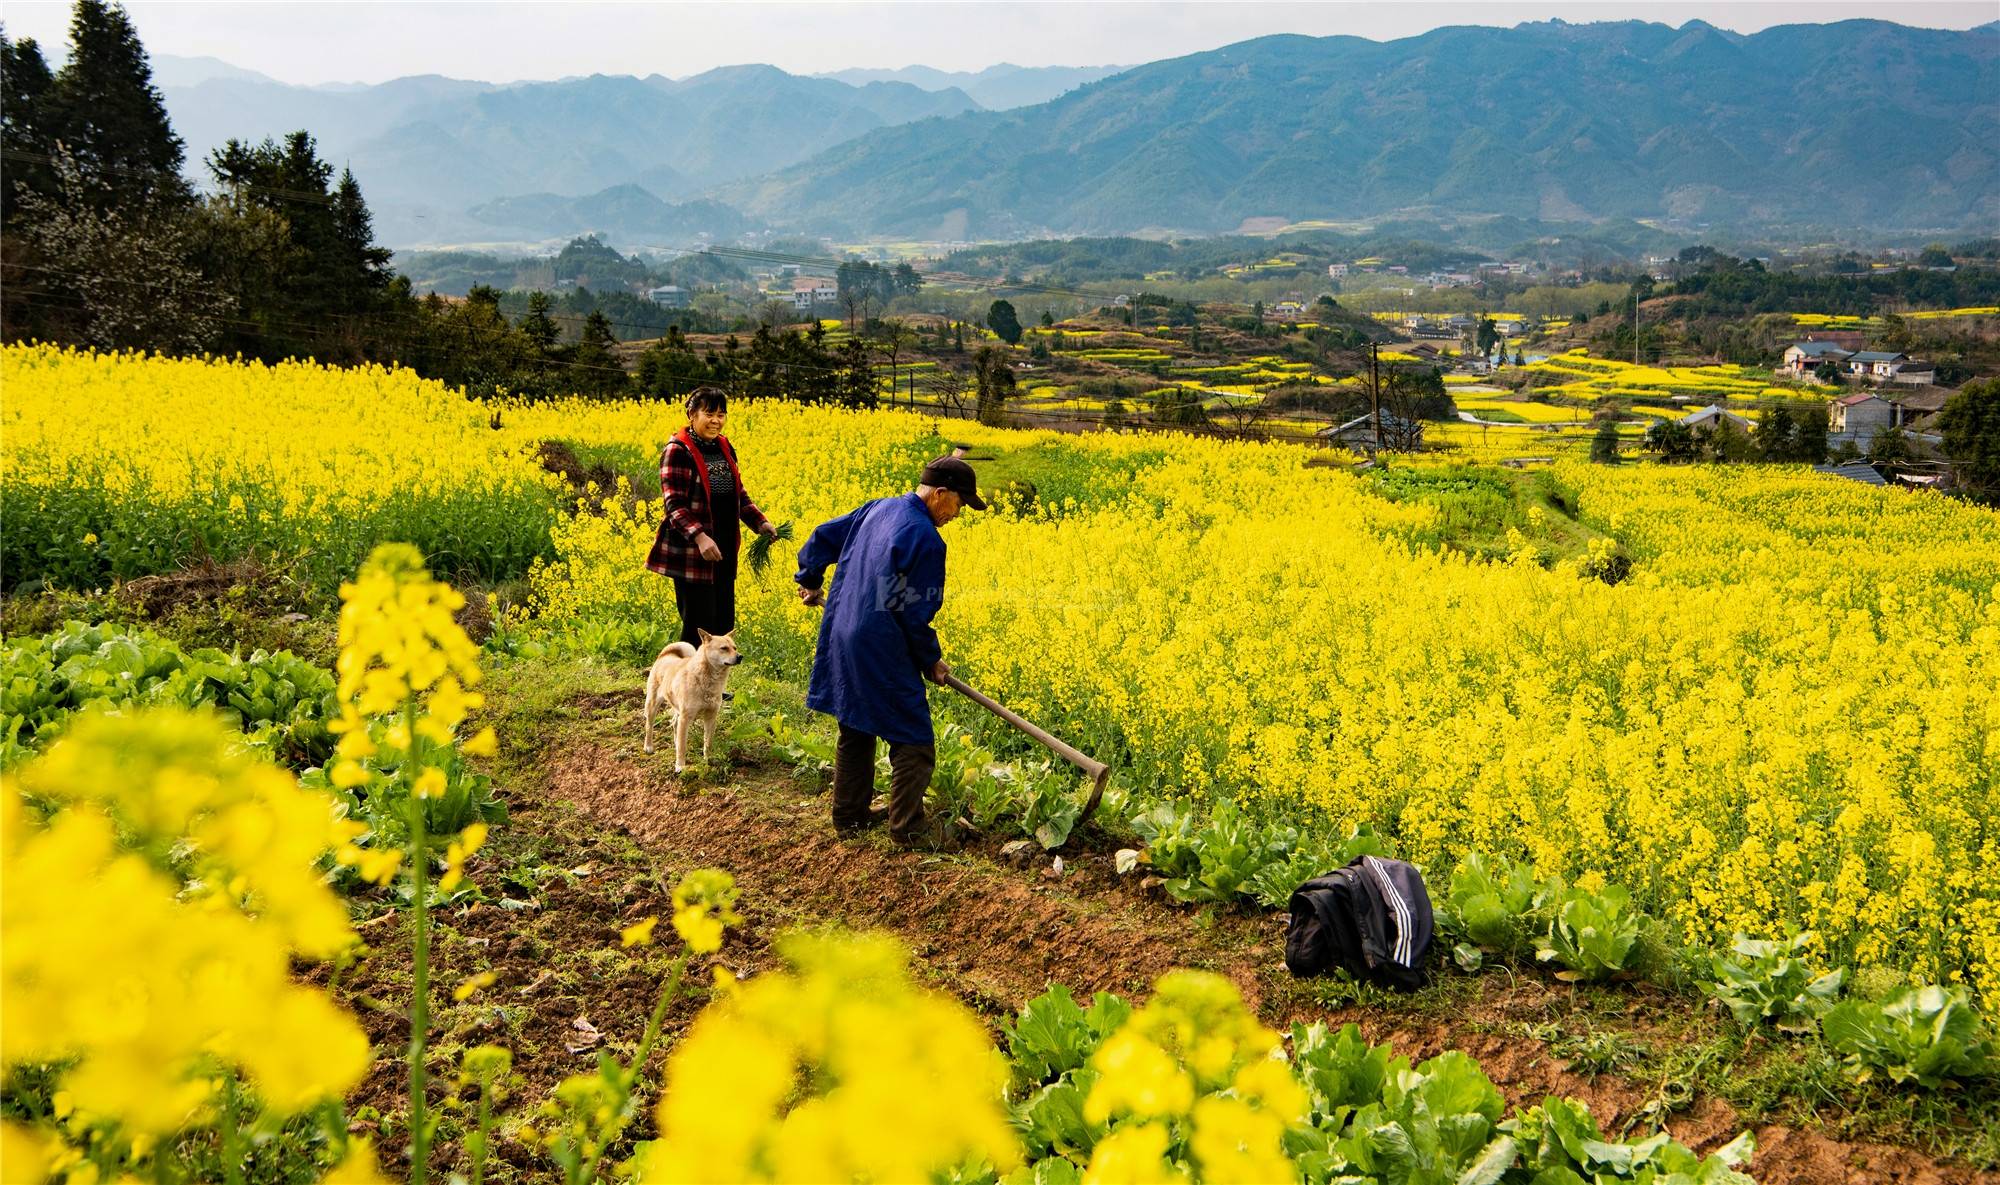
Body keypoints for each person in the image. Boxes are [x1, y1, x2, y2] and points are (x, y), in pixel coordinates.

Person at [794, 455, 986, 847]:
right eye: (959, 504)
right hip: (881, 641)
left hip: (843, 631)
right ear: (940, 493)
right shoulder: (926, 539)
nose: (958, 513)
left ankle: (850, 816)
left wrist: (810, 578)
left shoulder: (878, 508)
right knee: (913, 737)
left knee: (856, 723)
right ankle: (909, 827)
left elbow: (823, 535)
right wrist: (930, 658)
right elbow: (914, 613)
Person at [646, 387, 778, 646]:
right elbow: (674, 505)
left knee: (723, 625)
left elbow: (737, 494)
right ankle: (684, 685)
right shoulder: (678, 450)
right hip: (693, 554)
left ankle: (714, 688)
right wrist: (700, 537)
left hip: (724, 548)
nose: (716, 421)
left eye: (721, 414)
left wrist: (759, 522)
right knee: (699, 627)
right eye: (709, 413)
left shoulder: (724, 446)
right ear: (692, 414)